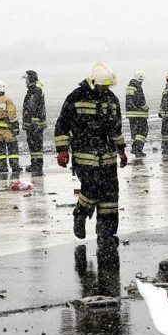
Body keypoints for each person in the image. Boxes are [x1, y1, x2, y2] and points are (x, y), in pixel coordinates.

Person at [54, 62, 128, 253]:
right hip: (84, 153)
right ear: (94, 82)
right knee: (92, 188)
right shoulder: (76, 97)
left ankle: (107, 234)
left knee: (110, 195)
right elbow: (62, 124)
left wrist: (121, 150)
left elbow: (115, 128)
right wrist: (62, 150)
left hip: (108, 155)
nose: (106, 90)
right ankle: (80, 214)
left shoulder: (112, 99)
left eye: (108, 87)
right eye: (103, 86)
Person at [21, 70, 46, 175]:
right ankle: (35, 165)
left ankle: (37, 165)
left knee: (35, 146)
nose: (25, 81)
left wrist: (33, 123)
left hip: (34, 125)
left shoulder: (34, 91)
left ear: (30, 79)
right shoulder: (35, 90)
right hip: (35, 124)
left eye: (26, 79)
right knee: (35, 146)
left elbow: (32, 108)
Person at [126, 70, 149, 158]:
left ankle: (134, 148)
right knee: (143, 131)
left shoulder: (130, 86)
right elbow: (140, 100)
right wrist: (145, 107)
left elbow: (130, 101)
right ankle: (138, 149)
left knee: (134, 133)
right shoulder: (137, 86)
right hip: (138, 113)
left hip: (131, 114)